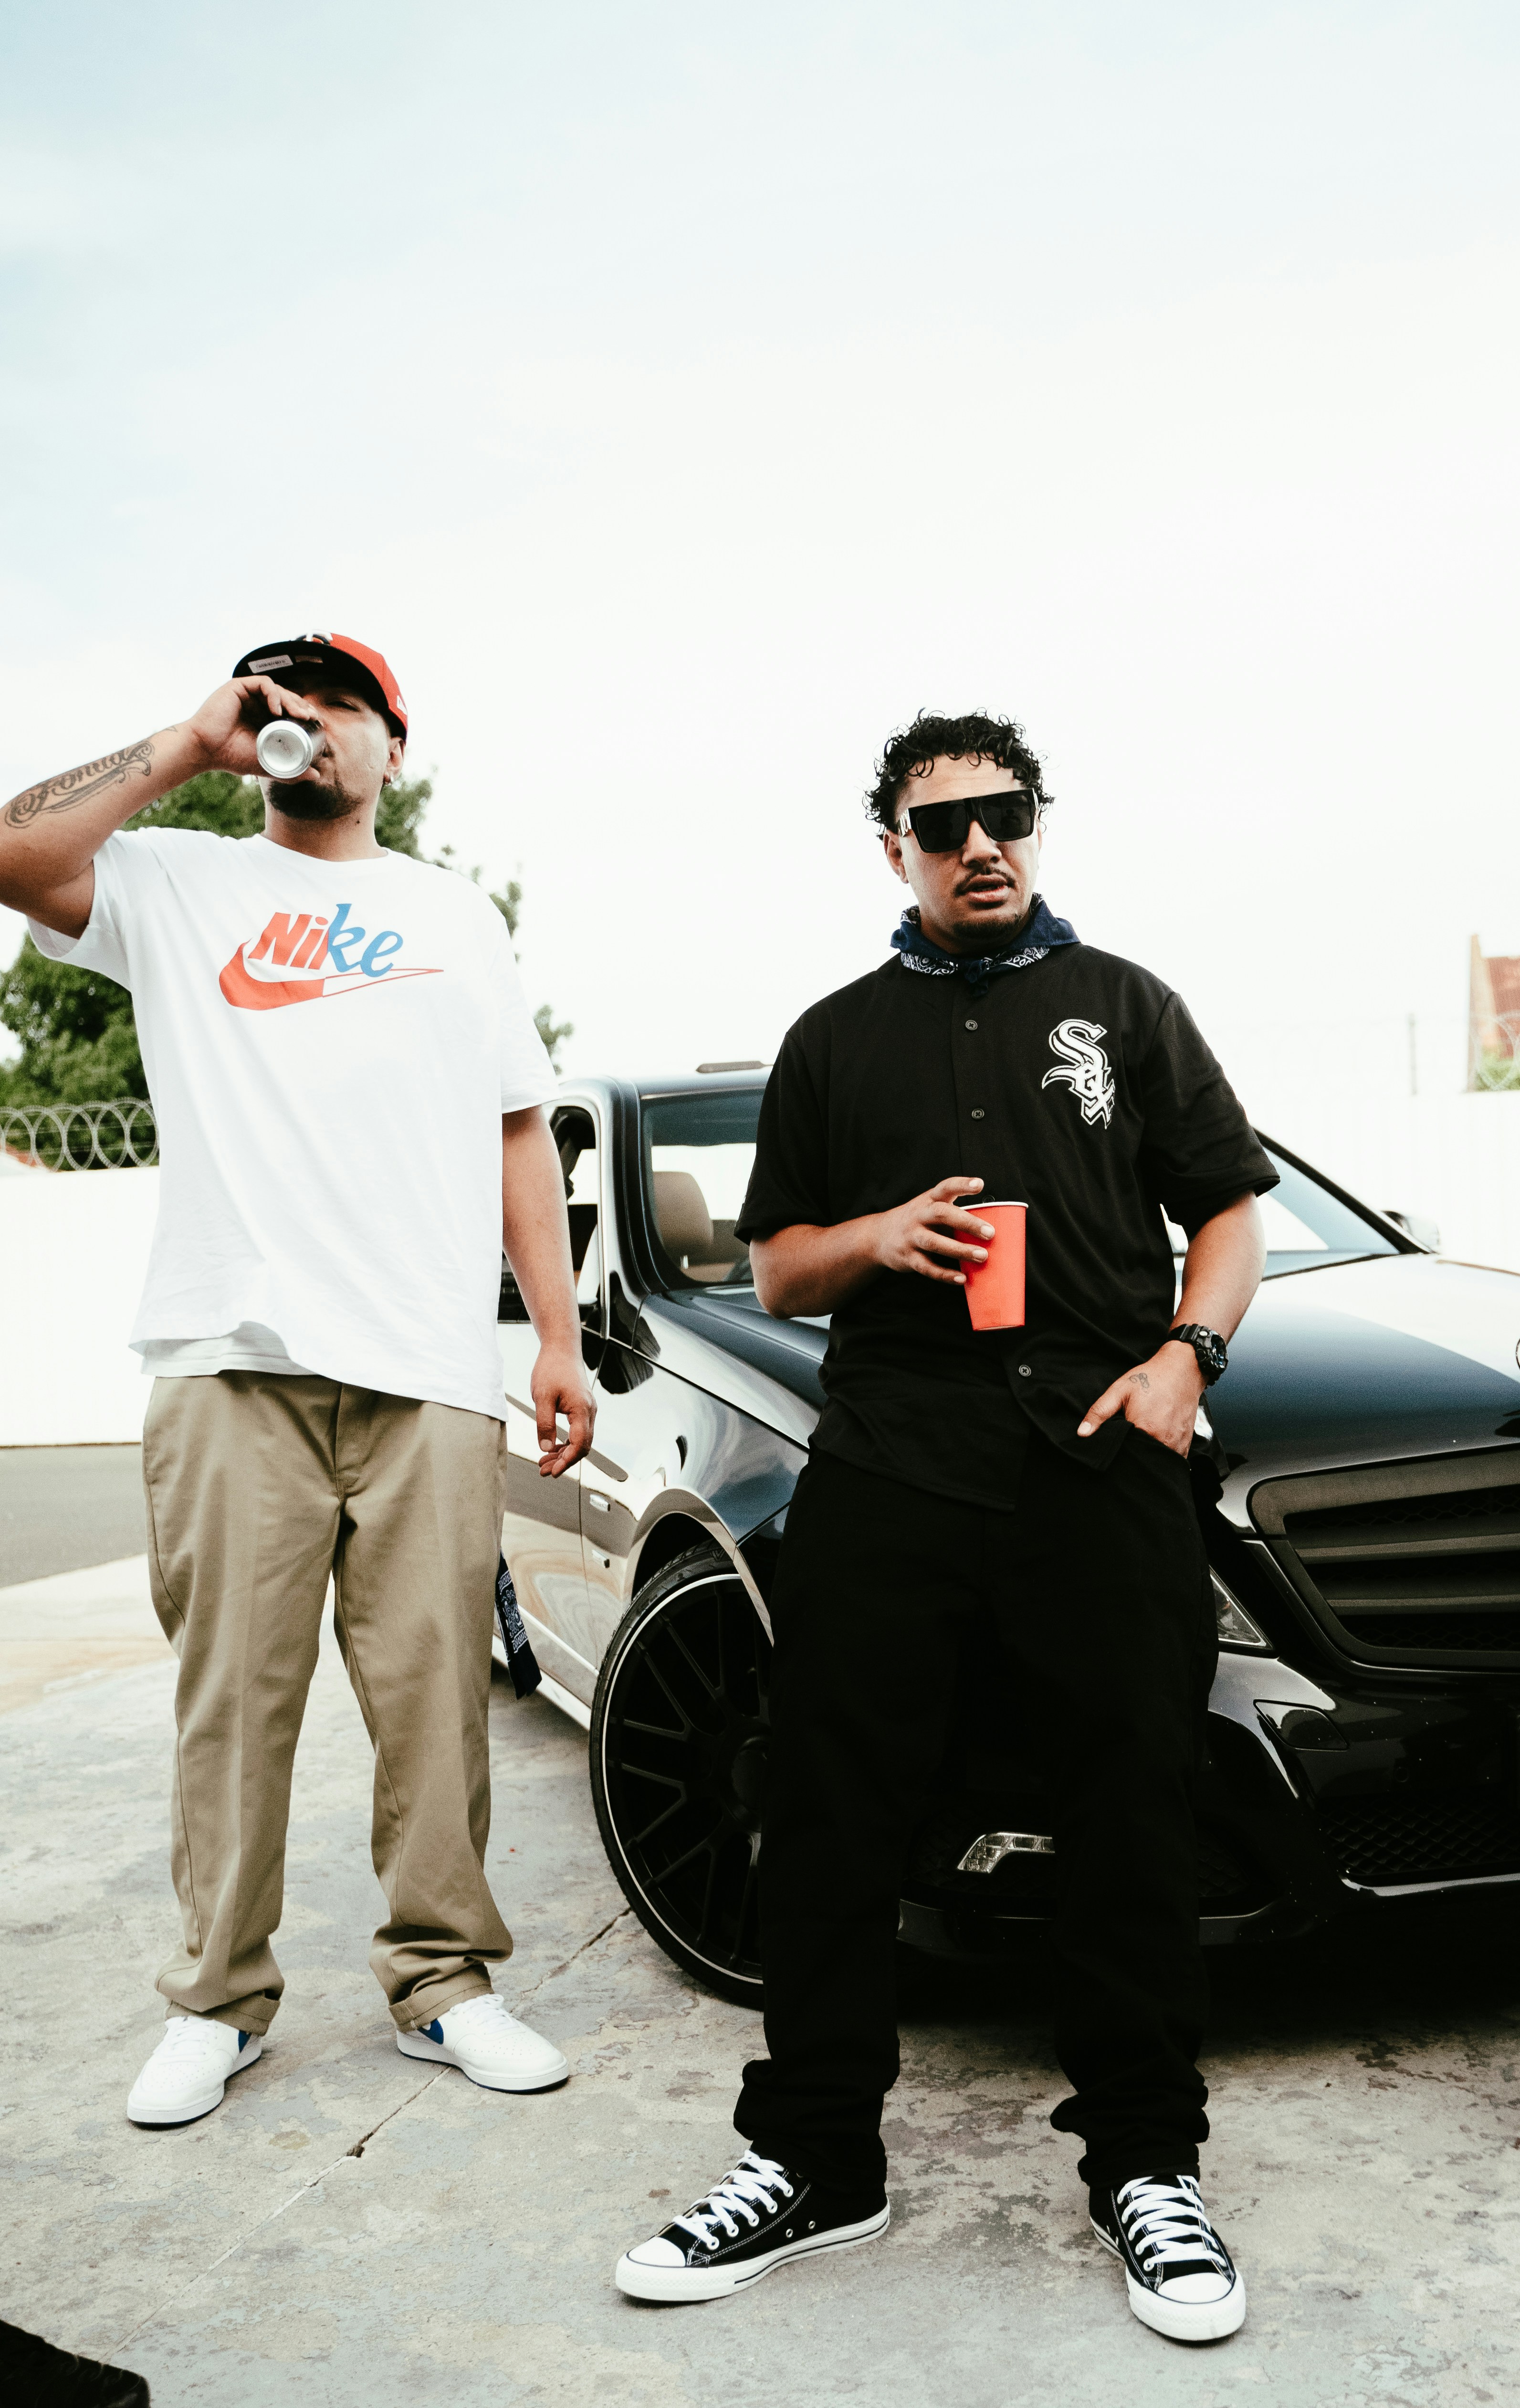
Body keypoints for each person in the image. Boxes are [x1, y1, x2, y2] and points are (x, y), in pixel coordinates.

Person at [614, 712, 1272, 2342]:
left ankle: (1146, 2166)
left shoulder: (1127, 1005)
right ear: (893, 848)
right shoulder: (836, 1038)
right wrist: (881, 1236)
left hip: (1104, 1460)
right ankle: (821, 2158)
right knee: (833, 1811)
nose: (982, 845)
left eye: (1007, 815)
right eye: (944, 824)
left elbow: (1232, 1207)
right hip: (898, 1466)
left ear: (1038, 824)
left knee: (1131, 1811)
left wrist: (1190, 1356)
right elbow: (776, 1272)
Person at [0, 634, 595, 2124]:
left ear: (394, 744)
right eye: (276, 698)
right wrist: (183, 748)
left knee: (436, 1703)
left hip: (423, 1369)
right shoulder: (174, 880)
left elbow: (520, 1129)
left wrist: (557, 1333)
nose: (302, 722)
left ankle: (445, 1985)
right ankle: (221, 2000)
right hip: (229, 1361)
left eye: (335, 703)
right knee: (231, 1704)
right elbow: (14, 853)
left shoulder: (454, 916)